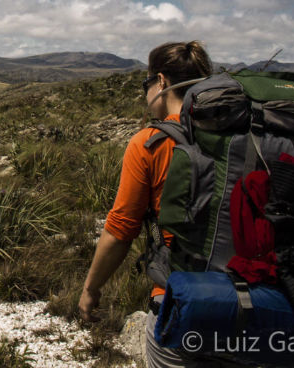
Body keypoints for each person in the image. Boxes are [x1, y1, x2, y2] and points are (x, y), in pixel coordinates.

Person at [78, 41, 217, 367]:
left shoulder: (151, 142)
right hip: (257, 301)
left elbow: (121, 229)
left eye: (147, 84)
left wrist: (91, 289)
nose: (146, 92)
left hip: (181, 302)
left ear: (162, 81)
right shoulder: (242, 134)